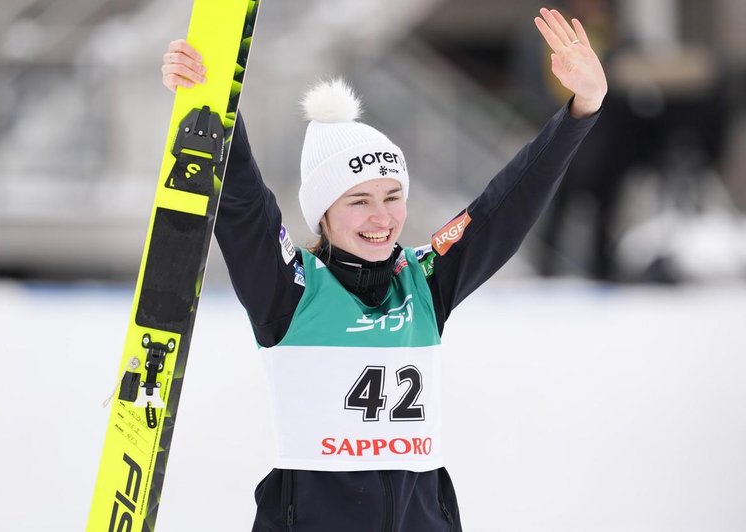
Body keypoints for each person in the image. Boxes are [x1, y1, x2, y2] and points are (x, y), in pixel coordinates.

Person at [161, 7, 606, 531]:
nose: (382, 217)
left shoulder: (424, 281)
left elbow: (503, 207)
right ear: (323, 215)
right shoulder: (289, 290)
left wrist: (582, 109)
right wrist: (209, 104)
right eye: (358, 202)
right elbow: (243, 206)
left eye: (393, 196)